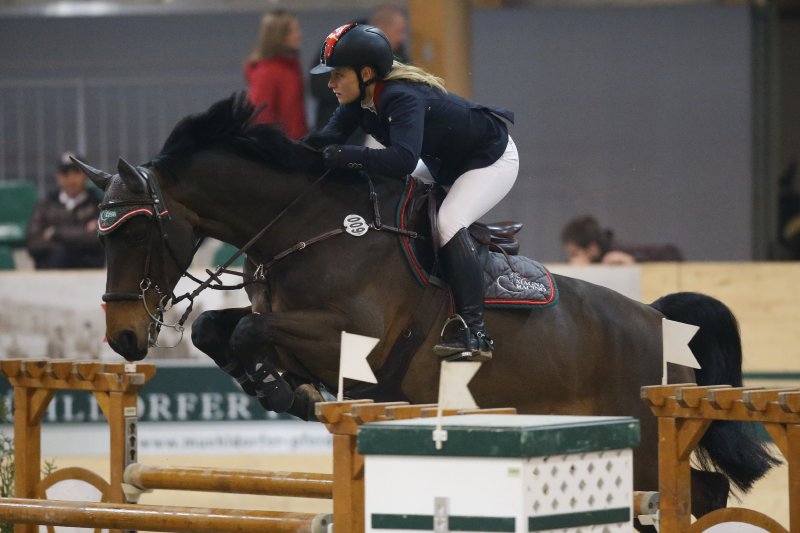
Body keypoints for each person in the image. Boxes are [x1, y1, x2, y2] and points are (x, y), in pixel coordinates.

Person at [305, 23, 518, 362]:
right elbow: (320, 144)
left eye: (337, 75)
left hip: (489, 160)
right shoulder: (357, 101)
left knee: (449, 222)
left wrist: (347, 156)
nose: (329, 84)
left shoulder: (400, 97)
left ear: (366, 73)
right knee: (385, 196)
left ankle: (475, 331)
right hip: (442, 163)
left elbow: (403, 159)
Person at [309, 5, 409, 132]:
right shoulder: (338, 46)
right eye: (399, 32)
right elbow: (318, 85)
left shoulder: (397, 55)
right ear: (382, 29)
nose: (402, 38)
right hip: (338, 129)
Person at [26, 151, 104, 269]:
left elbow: (97, 240)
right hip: (49, 273)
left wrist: (54, 233)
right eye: (65, 173)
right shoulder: (45, 206)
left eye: (76, 172)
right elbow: (33, 243)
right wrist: (79, 237)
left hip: (88, 273)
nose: (71, 179)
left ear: (85, 175)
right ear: (58, 176)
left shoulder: (98, 206)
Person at [244, 9, 307, 139]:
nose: (299, 34)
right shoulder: (267, 73)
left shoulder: (290, 66)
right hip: (282, 151)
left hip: (294, 147)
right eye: (292, 31)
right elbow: (260, 117)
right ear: (278, 36)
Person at [560, 215, 684, 265]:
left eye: (574, 253)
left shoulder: (621, 251)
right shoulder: (573, 265)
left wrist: (632, 260)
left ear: (592, 249)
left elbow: (673, 254)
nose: (572, 259)